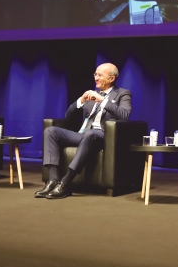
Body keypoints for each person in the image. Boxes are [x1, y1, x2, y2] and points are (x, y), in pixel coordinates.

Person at [37, 63, 132, 199]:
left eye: (100, 75)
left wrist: (102, 100)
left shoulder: (123, 94)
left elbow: (124, 115)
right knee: (51, 131)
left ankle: (66, 183)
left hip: (103, 136)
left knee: (89, 133)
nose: (96, 78)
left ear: (111, 78)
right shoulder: (91, 94)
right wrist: (80, 101)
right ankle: (53, 180)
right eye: (95, 74)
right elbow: (68, 117)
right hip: (83, 134)